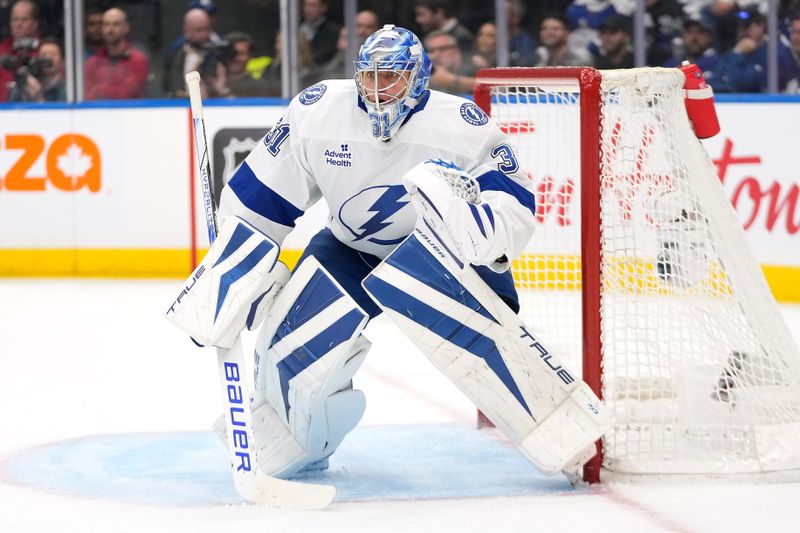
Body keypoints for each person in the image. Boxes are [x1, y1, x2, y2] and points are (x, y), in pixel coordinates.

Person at [170, 25, 609, 481]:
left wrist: (478, 231)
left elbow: (514, 204)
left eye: (391, 77)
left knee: (491, 344)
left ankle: (561, 429)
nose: (378, 90)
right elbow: (259, 197)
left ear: (418, 77)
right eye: (369, 77)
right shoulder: (318, 111)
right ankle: (299, 439)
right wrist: (236, 272)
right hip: (349, 247)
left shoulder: (460, 123)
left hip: (441, 257)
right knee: (287, 344)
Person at [84, 7, 150, 100]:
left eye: (116, 24)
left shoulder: (139, 60)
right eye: (106, 25)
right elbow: (88, 96)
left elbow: (126, 93)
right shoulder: (92, 62)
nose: (110, 29)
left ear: (126, 28)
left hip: (131, 112)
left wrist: (100, 90)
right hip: (99, 113)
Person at [163, 7, 217, 97]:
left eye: (207, 29)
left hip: (214, 106)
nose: (204, 34)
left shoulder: (217, 54)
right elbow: (168, 84)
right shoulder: (175, 54)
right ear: (186, 30)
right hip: (180, 105)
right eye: (199, 30)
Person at [714, 6, 768, 92]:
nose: (742, 30)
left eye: (747, 25)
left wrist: (737, 54)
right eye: (739, 26)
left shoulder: (771, 52)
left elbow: (743, 84)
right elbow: (715, 81)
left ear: (760, 26)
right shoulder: (734, 52)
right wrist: (737, 53)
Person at [0, 0, 41, 102]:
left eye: (24, 20)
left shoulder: (44, 50)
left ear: (35, 23)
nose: (18, 24)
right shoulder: (2, 50)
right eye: (15, 20)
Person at [663, 13, 720, 81]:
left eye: (700, 32)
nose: (693, 38)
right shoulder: (672, 64)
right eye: (689, 32)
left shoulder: (720, 64)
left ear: (710, 36)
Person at [7, 36, 65, 102]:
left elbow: (63, 111)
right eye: (43, 54)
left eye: (52, 54)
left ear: (62, 60)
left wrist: (38, 97)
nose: (47, 58)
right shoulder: (28, 83)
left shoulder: (67, 88)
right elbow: (13, 108)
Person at [300, 0, 341, 68]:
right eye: (306, 5)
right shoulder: (297, 30)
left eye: (312, 5)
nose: (307, 9)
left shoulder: (333, 31)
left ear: (323, 7)